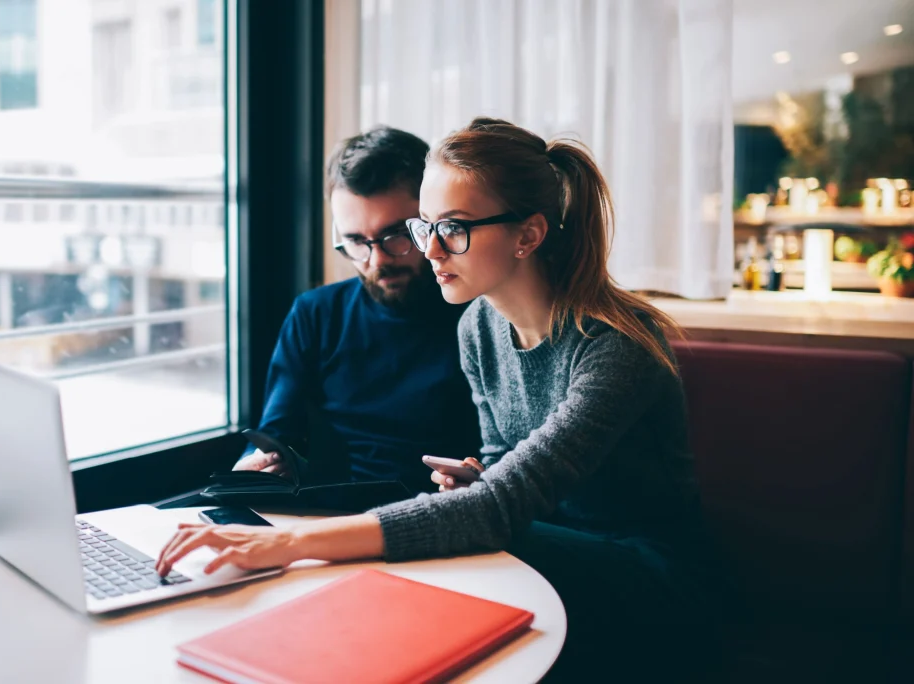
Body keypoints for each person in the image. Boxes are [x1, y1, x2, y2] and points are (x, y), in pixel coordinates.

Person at [157, 118, 724, 680]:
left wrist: (290, 543)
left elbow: (505, 507)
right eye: (423, 225)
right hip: (542, 545)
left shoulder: (617, 347)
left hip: (651, 575)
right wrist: (481, 476)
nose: (428, 250)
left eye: (451, 228)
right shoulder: (478, 325)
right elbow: (504, 465)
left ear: (528, 235)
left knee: (442, 554)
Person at [233, 126, 481, 495]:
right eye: (355, 241)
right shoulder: (316, 314)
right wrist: (252, 466)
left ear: (433, 220)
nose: (377, 260)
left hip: (449, 518)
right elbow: (274, 434)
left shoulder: (484, 318)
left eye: (396, 234)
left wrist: (483, 482)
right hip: (333, 518)